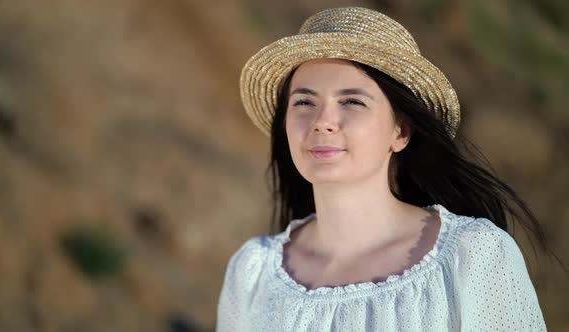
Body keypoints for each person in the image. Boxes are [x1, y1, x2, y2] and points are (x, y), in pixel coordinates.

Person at [217, 7, 551, 331]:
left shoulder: (474, 255)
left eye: (352, 101)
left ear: (401, 131)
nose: (322, 122)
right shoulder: (253, 271)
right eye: (304, 102)